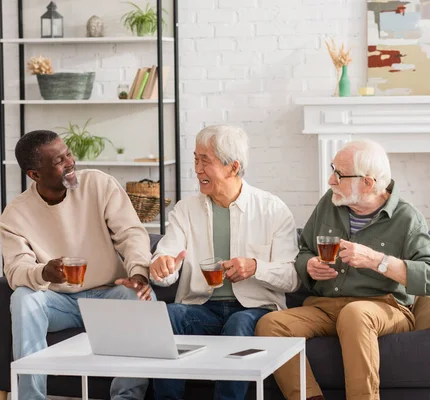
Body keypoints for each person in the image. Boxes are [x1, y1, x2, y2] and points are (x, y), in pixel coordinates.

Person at [256, 140, 430, 400]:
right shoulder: (329, 204)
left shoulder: (407, 218)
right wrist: (309, 266)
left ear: (367, 183)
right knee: (270, 324)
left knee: (354, 314)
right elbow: (303, 251)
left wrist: (377, 260)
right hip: (325, 306)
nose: (330, 180)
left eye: (339, 174)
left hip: (384, 307)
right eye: (332, 169)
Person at [0, 130, 153, 400]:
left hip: (108, 294)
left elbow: (131, 234)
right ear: (34, 174)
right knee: (23, 298)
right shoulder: (15, 214)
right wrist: (42, 272)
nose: (70, 161)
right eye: (59, 160)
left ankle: (126, 397)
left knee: (139, 298)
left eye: (68, 153)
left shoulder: (99, 184)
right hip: (57, 301)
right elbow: (15, 271)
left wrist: (139, 271)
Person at [150, 124, 300, 400]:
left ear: (233, 167)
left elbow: (291, 279)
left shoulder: (272, 209)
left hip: (255, 309)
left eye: (205, 161)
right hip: (202, 308)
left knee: (239, 324)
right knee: (167, 316)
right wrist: (162, 266)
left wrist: (256, 267)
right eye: (195, 159)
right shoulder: (185, 210)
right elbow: (166, 259)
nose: (197, 169)